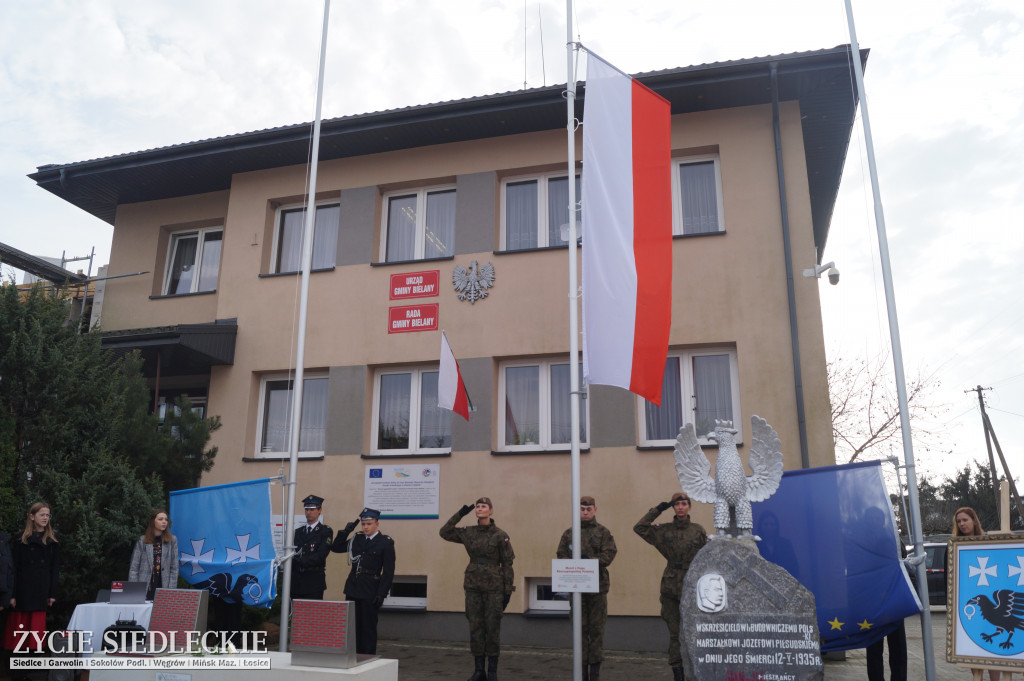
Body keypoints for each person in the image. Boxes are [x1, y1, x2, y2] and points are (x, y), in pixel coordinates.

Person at [634, 492, 707, 681]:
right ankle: (678, 674)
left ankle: (694, 671)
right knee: (675, 634)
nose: (680, 507)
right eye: (677, 504)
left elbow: (706, 559)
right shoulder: (664, 530)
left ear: (689, 506)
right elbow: (639, 528)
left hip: (692, 587)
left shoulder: (698, 530)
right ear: (673, 507)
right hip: (670, 589)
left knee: (691, 631)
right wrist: (658, 509)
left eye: (684, 503)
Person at [440, 497, 515, 681]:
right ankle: (479, 670)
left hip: (493, 587)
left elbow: (507, 564)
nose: (480, 509)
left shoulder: (500, 535)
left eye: (484, 507)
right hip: (473, 585)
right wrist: (460, 514)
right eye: (478, 507)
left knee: (492, 628)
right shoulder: (469, 532)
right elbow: (444, 532)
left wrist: (507, 590)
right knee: (475, 627)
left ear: (491, 511)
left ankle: (492, 672)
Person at [556, 496, 617, 681]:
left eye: (588, 509)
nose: (585, 512)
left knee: (596, 631)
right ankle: (581, 672)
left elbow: (609, 554)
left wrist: (589, 562)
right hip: (577, 589)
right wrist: (574, 564)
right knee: (579, 630)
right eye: (582, 509)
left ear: (595, 510)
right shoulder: (569, 533)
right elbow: (561, 555)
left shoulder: (603, 532)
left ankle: (594, 673)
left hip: (597, 588)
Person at [329, 507, 395, 655]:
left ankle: (368, 658)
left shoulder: (385, 543)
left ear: (377, 524)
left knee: (368, 628)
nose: (365, 527)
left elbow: (388, 572)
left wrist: (382, 594)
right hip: (353, 588)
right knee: (353, 626)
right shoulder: (356, 539)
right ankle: (353, 656)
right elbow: (336, 547)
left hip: (370, 590)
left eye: (369, 524)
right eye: (363, 524)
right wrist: (346, 531)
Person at [2, 503, 60, 654]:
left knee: (34, 634)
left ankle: (27, 671)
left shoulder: (53, 541)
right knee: (18, 633)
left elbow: (55, 569)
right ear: (32, 516)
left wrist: (52, 594)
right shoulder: (20, 539)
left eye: (48, 515)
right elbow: (13, 568)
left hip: (41, 590)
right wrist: (12, 595)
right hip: (21, 591)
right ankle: (17, 674)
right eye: (42, 515)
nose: (45, 518)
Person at [951, 507, 1000, 681]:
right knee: (973, 647)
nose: (962, 524)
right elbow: (950, 580)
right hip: (967, 605)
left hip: (989, 603)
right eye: (959, 521)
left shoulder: (989, 544)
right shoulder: (954, 548)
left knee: (992, 647)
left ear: (974, 520)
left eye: (965, 520)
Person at [129, 509, 180, 600]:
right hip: (144, 587)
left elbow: (174, 568)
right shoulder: (142, 540)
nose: (164, 522)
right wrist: (134, 590)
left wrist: (171, 591)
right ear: (153, 521)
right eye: (160, 519)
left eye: (166, 519)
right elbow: (134, 568)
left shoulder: (172, 540)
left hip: (164, 587)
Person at [291, 494, 333, 600]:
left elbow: (321, 554)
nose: (308, 512)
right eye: (307, 509)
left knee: (311, 614)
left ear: (319, 510)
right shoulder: (298, 532)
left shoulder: (325, 531)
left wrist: (301, 560)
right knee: (294, 614)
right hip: (296, 581)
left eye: (312, 509)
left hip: (313, 581)